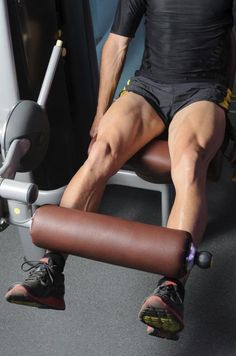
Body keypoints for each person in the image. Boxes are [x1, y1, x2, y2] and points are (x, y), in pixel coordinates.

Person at [5, 0, 236, 340]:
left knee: (189, 163)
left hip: (202, 93)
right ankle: (50, 270)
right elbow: (117, 41)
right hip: (149, 88)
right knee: (100, 152)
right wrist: (101, 112)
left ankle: (171, 289)